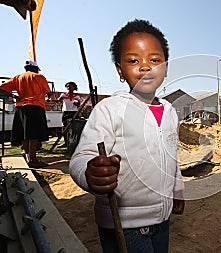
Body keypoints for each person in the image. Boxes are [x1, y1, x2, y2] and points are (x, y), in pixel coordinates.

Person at [69, 19, 185, 253]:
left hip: (162, 221)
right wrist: (90, 174)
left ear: (165, 67)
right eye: (134, 60)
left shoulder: (171, 112)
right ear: (120, 70)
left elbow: (172, 156)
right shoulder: (109, 109)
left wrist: (177, 190)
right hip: (124, 225)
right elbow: (82, 157)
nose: (145, 67)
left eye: (154, 60)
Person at [0, 60, 51, 168]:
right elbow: (48, 91)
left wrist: (14, 96)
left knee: (24, 133)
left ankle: (28, 157)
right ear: (35, 69)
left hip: (20, 107)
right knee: (33, 133)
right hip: (35, 106)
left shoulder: (17, 77)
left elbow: (1, 88)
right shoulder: (39, 77)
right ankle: (33, 159)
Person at [57, 81, 80, 148]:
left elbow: (79, 104)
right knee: (65, 127)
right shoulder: (63, 94)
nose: (68, 87)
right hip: (66, 112)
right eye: (67, 86)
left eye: (70, 86)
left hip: (74, 112)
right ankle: (66, 142)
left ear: (74, 87)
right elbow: (58, 100)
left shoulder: (77, 96)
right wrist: (59, 99)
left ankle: (73, 142)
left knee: (74, 128)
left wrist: (76, 104)